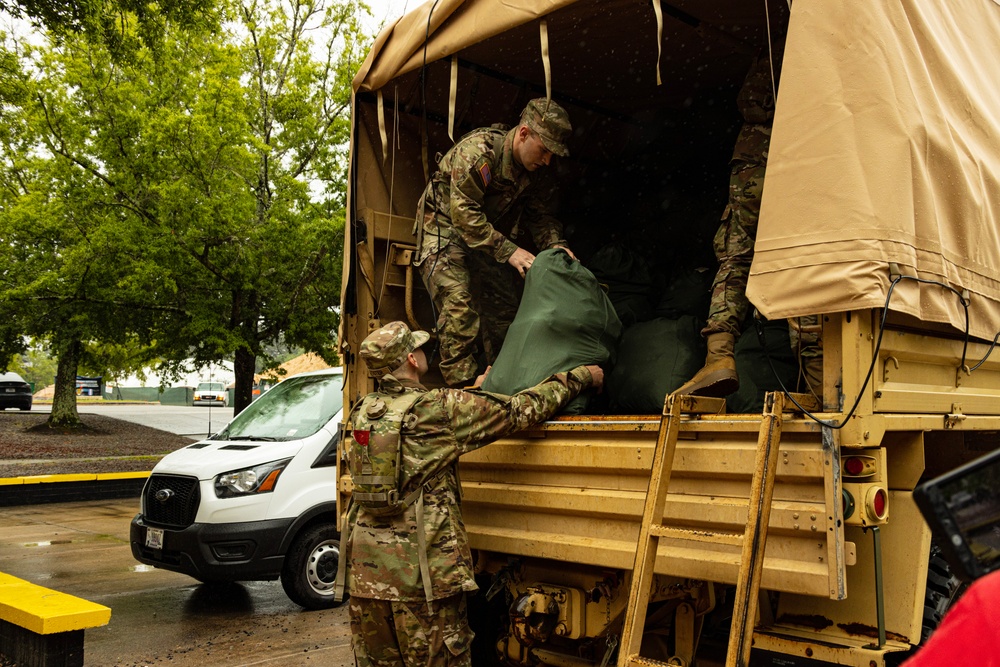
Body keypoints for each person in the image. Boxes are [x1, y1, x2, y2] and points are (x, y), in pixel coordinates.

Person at [340, 321, 604, 666]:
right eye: (419, 348)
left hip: (367, 578)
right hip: (422, 582)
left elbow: (422, 425)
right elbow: (519, 410)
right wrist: (581, 377)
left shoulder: (364, 411)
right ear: (411, 360)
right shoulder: (438, 409)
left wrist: (470, 392)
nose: (424, 353)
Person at [674, 53, 823, 398]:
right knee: (798, 259)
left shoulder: (765, 54)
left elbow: (750, 100)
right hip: (796, 156)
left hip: (749, 158)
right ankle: (817, 381)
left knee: (736, 260)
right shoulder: (814, 32)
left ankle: (719, 357)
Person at [413, 98, 577, 386]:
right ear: (524, 134)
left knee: (506, 314)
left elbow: (540, 217)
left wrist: (555, 245)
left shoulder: (532, 172)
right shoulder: (478, 153)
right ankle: (464, 394)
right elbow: (463, 215)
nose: (548, 160)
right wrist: (510, 252)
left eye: (553, 154)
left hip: (484, 242)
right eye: (545, 150)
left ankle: (505, 385)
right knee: (458, 310)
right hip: (443, 233)